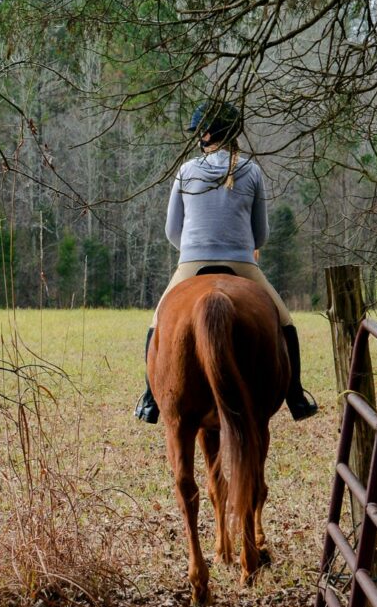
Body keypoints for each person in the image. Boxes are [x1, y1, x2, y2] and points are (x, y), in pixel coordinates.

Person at [135, 100, 320, 424]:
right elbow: (261, 234)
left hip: (192, 262)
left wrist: (192, 249)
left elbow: (171, 230)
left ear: (208, 134)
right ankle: (296, 397)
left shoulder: (186, 171)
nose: (197, 137)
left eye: (199, 132)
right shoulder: (252, 171)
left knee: (157, 322)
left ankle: (150, 400)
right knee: (285, 321)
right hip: (242, 263)